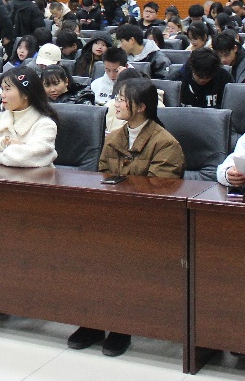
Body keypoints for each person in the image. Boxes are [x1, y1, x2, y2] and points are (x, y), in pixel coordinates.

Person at [65, 77, 184, 357]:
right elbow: (101, 175)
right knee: (82, 248)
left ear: (141, 107)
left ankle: (122, 325)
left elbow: (157, 191)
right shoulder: (115, 138)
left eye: (121, 99)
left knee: (121, 254)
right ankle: (92, 321)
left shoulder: (166, 143)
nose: (115, 103)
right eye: (116, 98)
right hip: (112, 215)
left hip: (147, 222)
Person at [0, 66, 58, 167]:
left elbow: (27, 158)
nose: (2, 95)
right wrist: (4, 142)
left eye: (7, 89)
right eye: (2, 89)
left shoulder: (45, 124)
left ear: (25, 94)